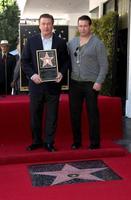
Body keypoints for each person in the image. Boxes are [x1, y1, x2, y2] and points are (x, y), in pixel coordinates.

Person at [21, 13, 69, 152]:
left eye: (49, 23)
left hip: (53, 85)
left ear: (53, 25)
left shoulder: (60, 42)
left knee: (52, 116)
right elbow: (25, 61)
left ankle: (49, 142)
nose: (46, 26)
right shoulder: (31, 41)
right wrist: (32, 75)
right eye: (43, 23)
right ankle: (36, 141)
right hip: (36, 85)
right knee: (35, 114)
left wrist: (61, 73)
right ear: (39, 25)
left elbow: (66, 61)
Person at [68, 15, 108, 150]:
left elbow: (104, 65)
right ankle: (77, 141)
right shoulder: (72, 43)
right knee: (74, 113)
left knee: (92, 113)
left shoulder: (98, 43)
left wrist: (99, 81)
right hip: (74, 83)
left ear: (90, 26)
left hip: (91, 84)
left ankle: (95, 142)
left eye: (85, 26)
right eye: (80, 26)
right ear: (78, 27)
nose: (83, 28)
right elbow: (62, 57)